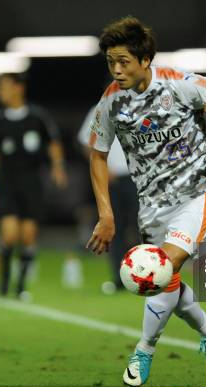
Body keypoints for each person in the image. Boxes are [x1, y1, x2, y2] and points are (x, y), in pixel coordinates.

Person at [86, 17, 206, 387]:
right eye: (110, 62)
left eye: (123, 61)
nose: (116, 70)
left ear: (145, 59)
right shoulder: (111, 103)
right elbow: (97, 154)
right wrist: (106, 213)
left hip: (198, 195)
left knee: (161, 267)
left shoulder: (182, 83)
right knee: (165, 281)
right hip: (152, 205)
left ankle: (143, 351)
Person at [0, 72, 67, 300]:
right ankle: (4, 282)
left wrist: (57, 166)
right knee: (9, 234)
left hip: (32, 182)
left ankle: (20, 285)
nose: (0, 92)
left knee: (28, 236)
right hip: (7, 184)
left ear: (19, 88)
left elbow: (53, 143)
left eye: (4, 87)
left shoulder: (37, 117)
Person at [78, 105, 138, 294]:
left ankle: (148, 276)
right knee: (114, 228)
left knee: (144, 227)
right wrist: (104, 170)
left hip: (142, 177)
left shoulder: (148, 103)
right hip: (113, 178)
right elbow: (86, 142)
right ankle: (119, 278)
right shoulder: (103, 108)